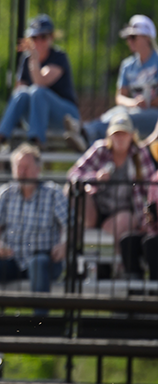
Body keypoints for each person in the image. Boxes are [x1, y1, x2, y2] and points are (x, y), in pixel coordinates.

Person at [0, 144, 67, 308]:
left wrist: (64, 245)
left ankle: (39, 326)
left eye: (27, 167)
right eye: (18, 167)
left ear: (38, 170)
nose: (22, 172)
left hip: (44, 260)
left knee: (38, 263)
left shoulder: (53, 193)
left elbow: (70, 226)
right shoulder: (4, 193)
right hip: (12, 259)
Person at [67, 114, 156, 278]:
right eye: (116, 134)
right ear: (109, 135)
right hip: (95, 210)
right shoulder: (100, 150)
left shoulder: (139, 155)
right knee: (74, 190)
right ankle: (89, 258)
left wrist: (146, 220)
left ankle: (111, 268)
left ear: (132, 135)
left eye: (124, 134)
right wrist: (95, 178)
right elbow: (73, 174)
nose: (120, 138)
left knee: (117, 225)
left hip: (126, 211)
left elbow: (149, 190)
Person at [70, 15, 158, 149]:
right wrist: (134, 103)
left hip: (154, 115)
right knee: (114, 114)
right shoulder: (128, 65)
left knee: (123, 119)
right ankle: (87, 137)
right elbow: (120, 97)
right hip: (133, 111)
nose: (129, 41)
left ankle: (85, 133)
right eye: (127, 38)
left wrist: (149, 102)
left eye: (133, 37)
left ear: (147, 37)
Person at [0, 15, 78, 148]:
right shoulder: (26, 59)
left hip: (65, 117)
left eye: (43, 37)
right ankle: (0, 137)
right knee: (22, 93)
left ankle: (35, 142)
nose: (38, 42)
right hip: (36, 117)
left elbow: (40, 82)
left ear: (51, 37)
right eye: (34, 38)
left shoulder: (59, 57)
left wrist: (34, 59)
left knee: (38, 91)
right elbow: (19, 91)